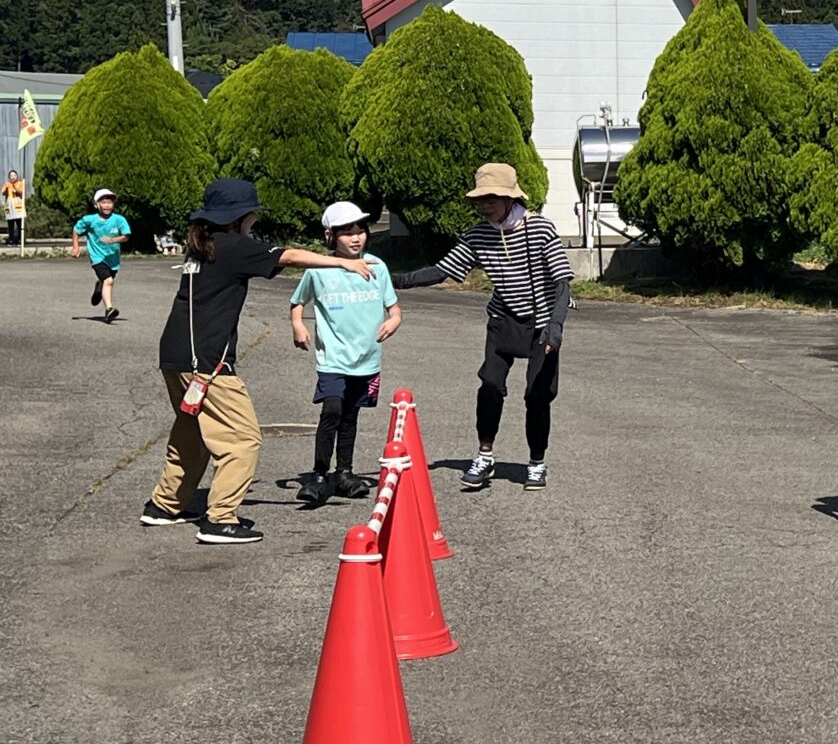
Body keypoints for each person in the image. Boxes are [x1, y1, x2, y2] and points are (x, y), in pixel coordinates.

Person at [141, 178, 374, 545]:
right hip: (207, 364)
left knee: (192, 433)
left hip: (174, 358)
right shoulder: (232, 245)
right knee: (242, 439)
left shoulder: (203, 247)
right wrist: (343, 265)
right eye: (251, 215)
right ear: (239, 217)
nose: (254, 222)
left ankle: (164, 505)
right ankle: (220, 519)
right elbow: (290, 255)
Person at [392, 163, 573, 492]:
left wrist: (556, 326)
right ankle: (484, 456)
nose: (485, 205)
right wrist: (395, 282)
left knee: (537, 395)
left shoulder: (541, 229)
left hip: (543, 322)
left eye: (492, 198)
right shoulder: (478, 234)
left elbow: (562, 281)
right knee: (489, 385)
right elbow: (444, 269)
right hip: (502, 319)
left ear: (509, 198)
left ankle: (536, 462)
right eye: (480, 199)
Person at [289, 201, 401, 508]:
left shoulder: (377, 267)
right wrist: (298, 324)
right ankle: (320, 475)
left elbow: (395, 309)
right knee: (333, 410)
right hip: (333, 358)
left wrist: (393, 320)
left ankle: (345, 472)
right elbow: (298, 302)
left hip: (366, 359)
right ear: (330, 236)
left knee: (351, 415)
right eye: (346, 232)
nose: (356, 238)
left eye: (360, 230)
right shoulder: (319, 270)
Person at [71, 189, 131, 323]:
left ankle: (99, 287)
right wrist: (76, 247)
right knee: (109, 281)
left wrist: (113, 240)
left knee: (106, 281)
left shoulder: (119, 220)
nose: (107, 205)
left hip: (113, 259)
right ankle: (109, 310)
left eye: (110, 202)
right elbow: (76, 230)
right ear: (96, 204)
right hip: (97, 257)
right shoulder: (89, 220)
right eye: (103, 202)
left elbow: (126, 237)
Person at [3, 169, 23, 246]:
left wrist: (15, 189)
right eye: (11, 175)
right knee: (10, 224)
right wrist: (6, 187)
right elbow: (3, 192)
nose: (13, 177)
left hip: (18, 206)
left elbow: (22, 192)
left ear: (17, 176)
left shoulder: (20, 183)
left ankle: (19, 240)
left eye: (14, 175)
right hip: (10, 206)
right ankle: (11, 239)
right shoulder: (7, 184)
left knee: (19, 224)